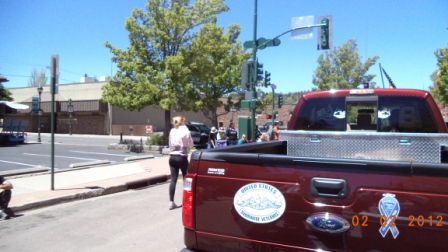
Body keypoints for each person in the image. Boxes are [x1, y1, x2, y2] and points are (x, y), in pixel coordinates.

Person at [168, 116, 194, 210]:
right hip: (182, 157)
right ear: (183, 122)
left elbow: (170, 144)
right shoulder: (186, 131)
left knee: (173, 180)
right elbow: (190, 144)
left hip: (172, 157)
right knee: (186, 179)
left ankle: (171, 202)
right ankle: (187, 201)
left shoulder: (172, 131)